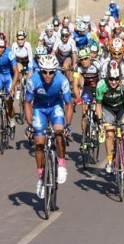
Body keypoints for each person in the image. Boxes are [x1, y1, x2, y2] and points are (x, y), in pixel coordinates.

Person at [24, 54, 73, 199]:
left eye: (51, 72)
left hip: (55, 107)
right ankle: (40, 177)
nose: (47, 75)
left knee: (59, 133)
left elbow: (69, 104)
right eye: (44, 71)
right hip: (39, 109)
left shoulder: (62, 80)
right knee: (39, 144)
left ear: (55, 71)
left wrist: (68, 125)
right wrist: (29, 125)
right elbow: (27, 103)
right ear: (40, 70)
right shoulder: (33, 81)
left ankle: (62, 164)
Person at [96, 59, 124, 178]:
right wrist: (100, 121)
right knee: (109, 134)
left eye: (116, 79)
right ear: (107, 76)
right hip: (107, 108)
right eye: (111, 79)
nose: (114, 82)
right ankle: (109, 160)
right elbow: (98, 105)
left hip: (121, 108)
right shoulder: (101, 85)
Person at [73, 47, 101, 138]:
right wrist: (78, 98)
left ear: (89, 57)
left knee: (99, 106)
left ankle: (99, 126)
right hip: (87, 87)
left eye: (86, 58)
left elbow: (103, 80)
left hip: (98, 87)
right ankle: (84, 136)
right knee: (84, 112)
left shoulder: (97, 64)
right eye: (81, 59)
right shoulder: (77, 67)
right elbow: (75, 83)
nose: (84, 61)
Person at [0, 33, 19, 140]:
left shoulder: (10, 53)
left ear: (5, 45)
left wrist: (12, 87)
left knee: (8, 100)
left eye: (2, 47)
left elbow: (16, 72)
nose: (0, 49)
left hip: (9, 76)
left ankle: (12, 121)